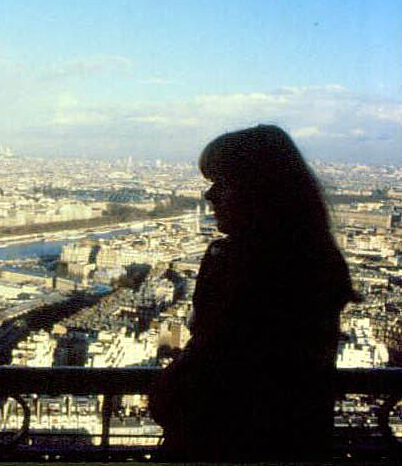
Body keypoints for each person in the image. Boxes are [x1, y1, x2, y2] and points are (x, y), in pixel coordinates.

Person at [149, 124, 360, 461]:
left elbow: (213, 368)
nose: (210, 195)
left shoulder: (237, 264)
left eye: (223, 183)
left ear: (258, 191)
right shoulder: (315, 264)